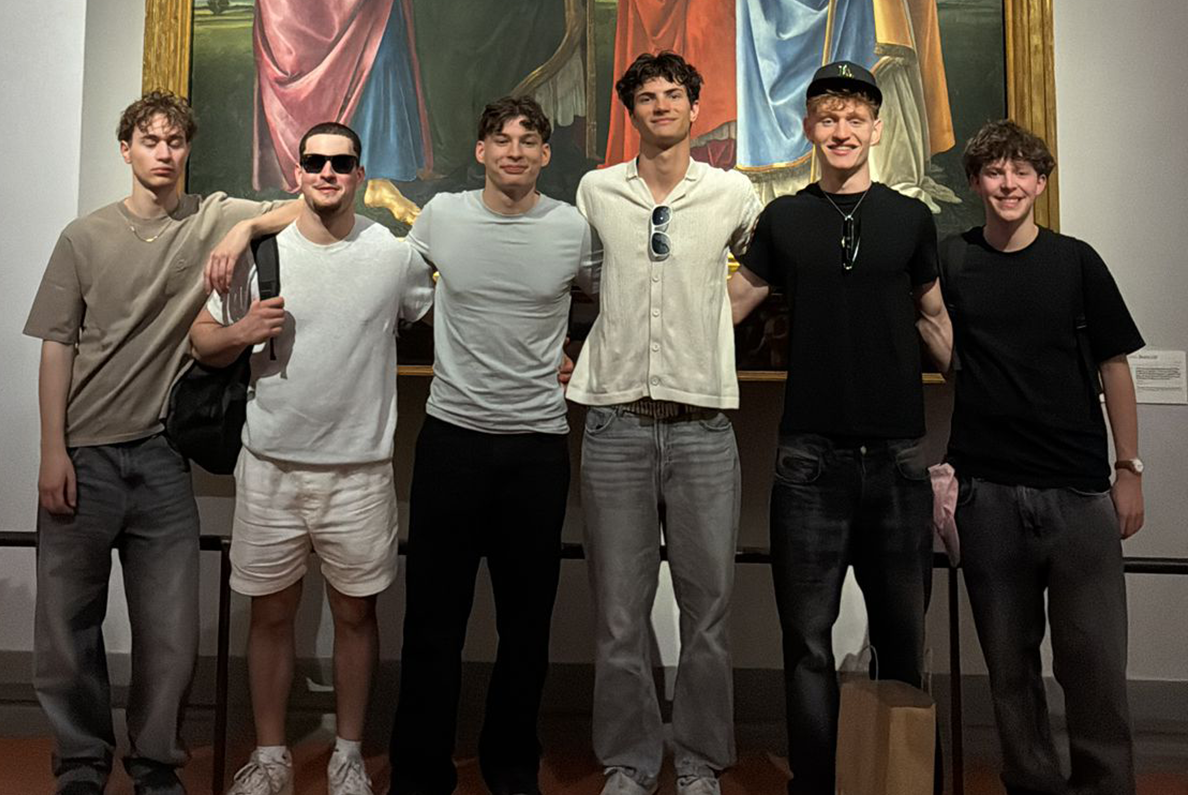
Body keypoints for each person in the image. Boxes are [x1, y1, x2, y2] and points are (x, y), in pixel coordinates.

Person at [23, 91, 298, 795]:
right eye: (150, 140)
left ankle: (155, 764)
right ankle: (81, 763)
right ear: (126, 150)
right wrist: (52, 450)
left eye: (175, 141)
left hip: (160, 457)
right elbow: (56, 345)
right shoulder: (84, 237)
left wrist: (243, 231)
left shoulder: (212, 217)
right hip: (83, 453)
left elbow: (304, 206)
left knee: (171, 633)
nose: (164, 153)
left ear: (187, 149)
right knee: (65, 628)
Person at [190, 122, 433, 795]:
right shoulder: (260, 253)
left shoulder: (392, 255)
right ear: (297, 172)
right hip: (271, 465)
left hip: (359, 470)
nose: (327, 172)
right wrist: (242, 331)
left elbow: (441, 316)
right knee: (271, 616)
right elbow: (202, 337)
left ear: (359, 174)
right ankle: (271, 755)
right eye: (315, 161)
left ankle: (346, 754)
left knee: (356, 616)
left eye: (341, 162)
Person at [730, 60, 953, 795]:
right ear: (808, 129)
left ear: (876, 129)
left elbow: (934, 319)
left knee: (902, 640)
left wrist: (994, 391)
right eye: (828, 118)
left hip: (898, 460)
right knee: (806, 643)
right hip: (809, 463)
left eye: (855, 118)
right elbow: (733, 303)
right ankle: (816, 784)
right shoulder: (784, 219)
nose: (841, 130)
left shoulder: (910, 219)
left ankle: (902, 782)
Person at [386, 95, 599, 795]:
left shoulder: (571, 227)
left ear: (545, 154)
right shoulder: (443, 216)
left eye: (528, 139)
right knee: (432, 622)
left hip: (536, 448)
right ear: (480, 151)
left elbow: (622, 299)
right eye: (501, 139)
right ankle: (421, 771)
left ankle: (511, 765)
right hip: (452, 440)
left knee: (525, 624)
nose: (513, 150)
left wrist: (581, 353)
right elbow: (400, 283)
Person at [567, 51, 762, 795]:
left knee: (706, 611)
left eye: (673, 94)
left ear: (693, 106)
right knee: (619, 614)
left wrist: (716, 318)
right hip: (615, 422)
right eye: (646, 96)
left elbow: (770, 267)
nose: (661, 105)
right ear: (632, 111)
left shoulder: (730, 192)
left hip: (702, 426)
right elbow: (577, 277)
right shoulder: (597, 189)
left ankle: (701, 761)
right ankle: (628, 760)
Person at [942, 120, 1144, 795]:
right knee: (1009, 668)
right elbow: (929, 334)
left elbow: (1114, 366)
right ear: (975, 182)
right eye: (994, 172)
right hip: (987, 492)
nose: (1008, 183)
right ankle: (1032, 785)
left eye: (1021, 171)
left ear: (1040, 182)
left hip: (1078, 490)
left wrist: (1128, 470)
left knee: (1094, 664)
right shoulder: (952, 259)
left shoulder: (1075, 261)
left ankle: (1104, 785)